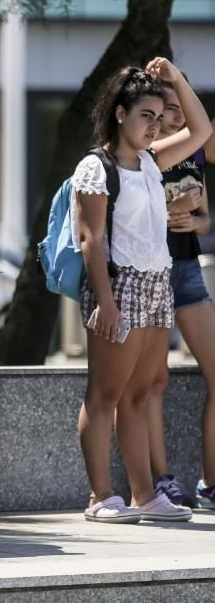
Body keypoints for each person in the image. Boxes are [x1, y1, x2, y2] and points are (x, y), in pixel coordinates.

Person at [73, 57, 212, 523]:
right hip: (118, 285)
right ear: (119, 113)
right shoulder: (97, 166)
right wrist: (106, 303)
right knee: (105, 394)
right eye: (145, 116)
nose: (153, 127)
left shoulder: (152, 162)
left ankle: (143, 495)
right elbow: (90, 240)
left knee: (142, 391)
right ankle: (100, 497)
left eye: (158, 117)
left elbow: (200, 131)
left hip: (157, 284)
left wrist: (173, 79)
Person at [146, 82, 215, 510]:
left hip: (188, 270)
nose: (174, 117)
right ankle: (162, 480)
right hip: (150, 273)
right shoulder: (143, 155)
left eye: (179, 109)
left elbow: (204, 218)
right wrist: (167, 211)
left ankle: (210, 483)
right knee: (153, 381)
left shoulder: (194, 152)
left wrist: (195, 222)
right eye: (165, 109)